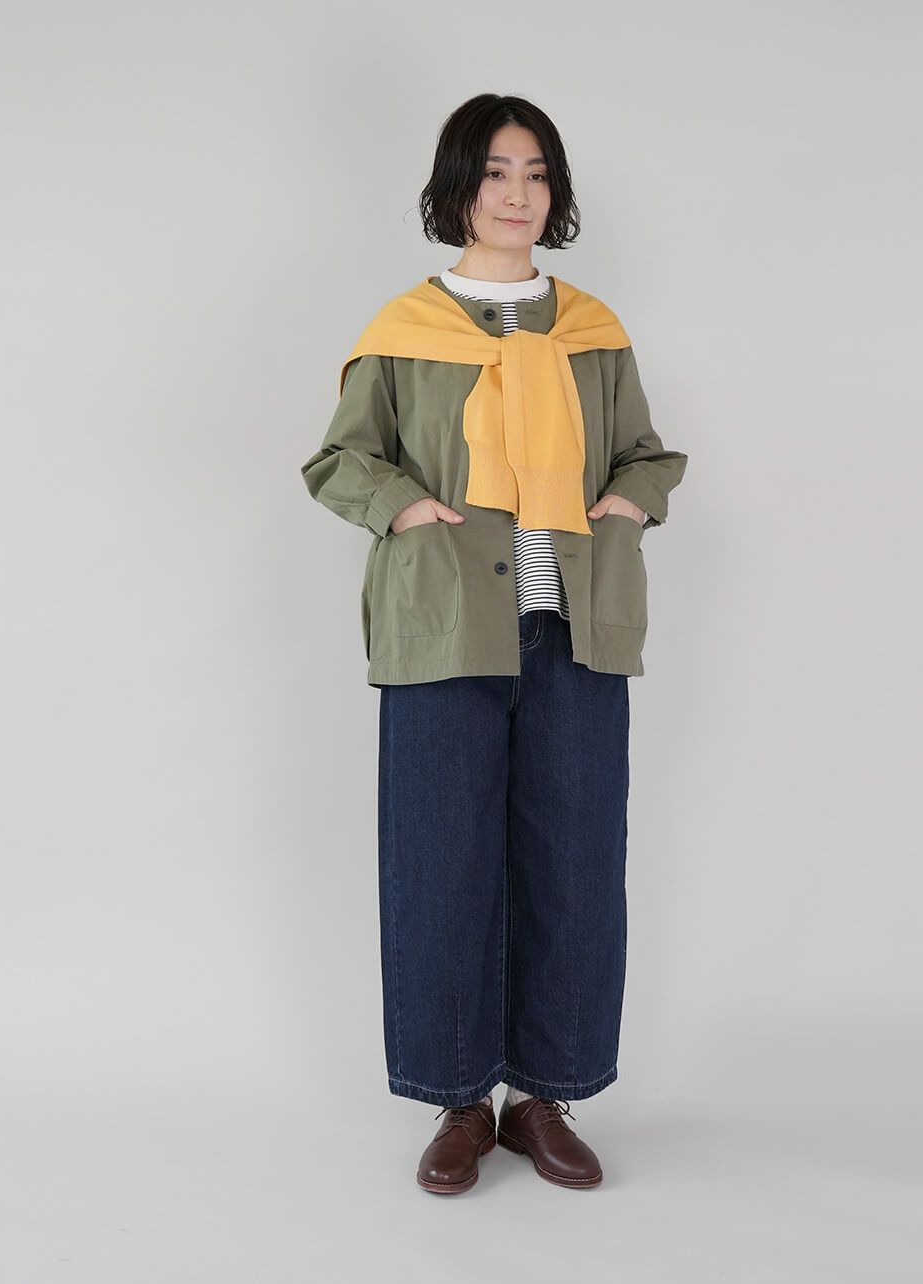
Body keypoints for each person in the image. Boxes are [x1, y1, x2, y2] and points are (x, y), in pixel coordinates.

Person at [300, 93, 687, 1194]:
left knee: (574, 867)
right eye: (495, 172)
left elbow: (646, 454)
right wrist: (406, 509)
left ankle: (543, 1097)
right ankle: (460, 1099)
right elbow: (340, 461)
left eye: (536, 173)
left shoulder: (592, 331)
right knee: (440, 868)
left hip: (574, 631)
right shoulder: (404, 330)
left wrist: (627, 502)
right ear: (458, 187)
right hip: (444, 632)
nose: (517, 194)